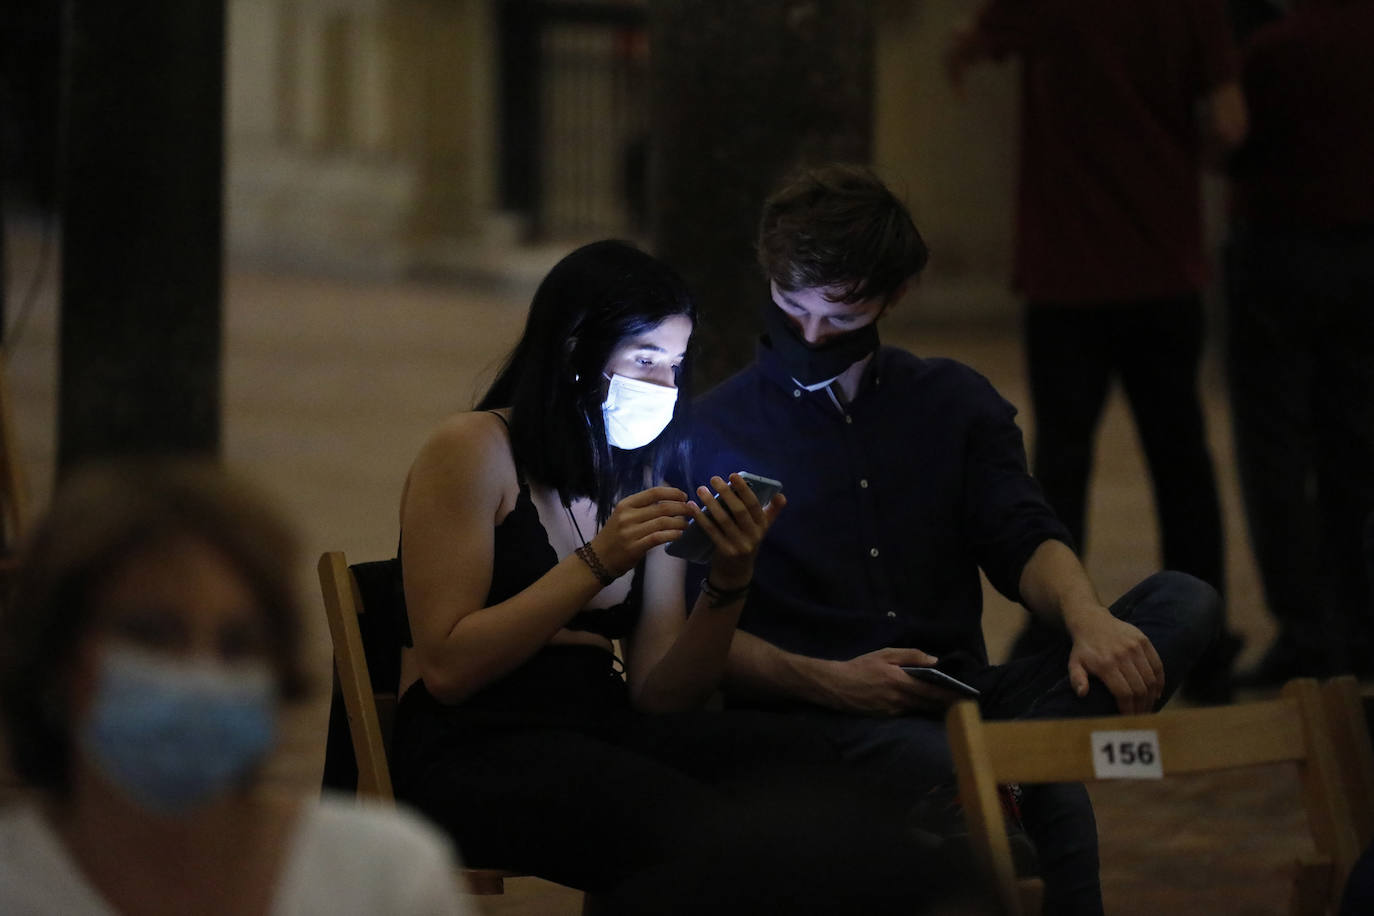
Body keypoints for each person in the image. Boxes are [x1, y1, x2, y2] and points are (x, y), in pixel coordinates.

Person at [681, 164, 1222, 915]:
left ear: (894, 296)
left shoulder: (951, 402)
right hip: (820, 714)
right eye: (789, 306)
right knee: (1027, 784)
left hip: (960, 694)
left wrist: (1089, 620)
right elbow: (688, 633)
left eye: (839, 315)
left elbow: (1022, 535)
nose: (808, 334)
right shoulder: (712, 431)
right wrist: (830, 680)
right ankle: (1019, 766)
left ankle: (1014, 762)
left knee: (1183, 601)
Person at [392, 239, 976, 912]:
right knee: (703, 833)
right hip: (477, 743)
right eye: (645, 359)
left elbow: (662, 694)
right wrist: (597, 564)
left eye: (675, 363)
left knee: (818, 777)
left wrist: (730, 576)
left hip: (601, 726)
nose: (664, 387)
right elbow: (448, 668)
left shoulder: (644, 469)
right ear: (575, 347)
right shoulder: (471, 450)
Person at [0, 459, 470, 916]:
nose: (201, 675)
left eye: (238, 644)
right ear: (55, 657)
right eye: (151, 634)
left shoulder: (385, 876)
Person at [944, 0, 1248, 703]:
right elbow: (1231, 122)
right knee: (1183, 462)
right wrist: (1173, 153)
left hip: (1068, 271)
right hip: (1164, 265)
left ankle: (1055, 635)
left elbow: (971, 42)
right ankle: (1210, 648)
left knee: (1062, 462)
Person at [1224, 0, 1374, 685]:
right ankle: (1360, 622)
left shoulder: (1277, 49)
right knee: (1355, 446)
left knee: (1275, 453)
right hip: (1365, 260)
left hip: (1280, 253)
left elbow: (1234, 145)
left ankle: (1308, 633)